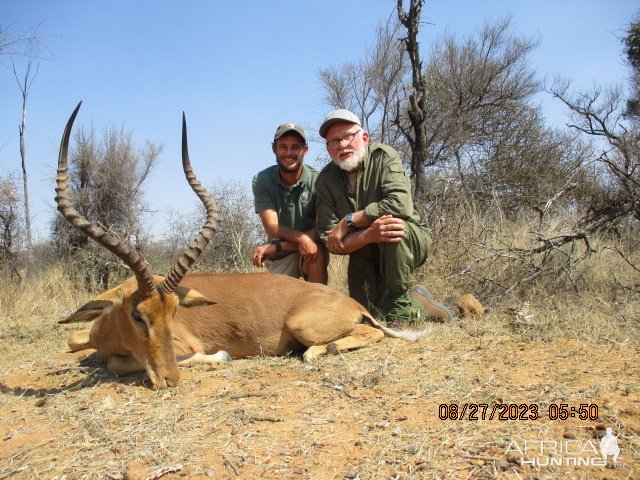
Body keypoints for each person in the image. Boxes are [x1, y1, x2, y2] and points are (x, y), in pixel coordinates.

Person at [315, 108, 452, 322]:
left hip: (406, 239)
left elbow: (400, 204)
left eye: (347, 137)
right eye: (334, 141)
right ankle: (417, 301)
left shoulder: (385, 156)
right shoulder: (324, 181)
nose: (342, 145)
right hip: (364, 250)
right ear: (329, 149)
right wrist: (369, 235)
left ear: (364, 137)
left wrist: (349, 221)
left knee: (392, 226)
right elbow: (331, 241)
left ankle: (402, 311)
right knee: (369, 315)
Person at [252, 123, 328, 284]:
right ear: (274, 149)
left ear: (305, 150)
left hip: (304, 250)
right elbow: (273, 229)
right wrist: (302, 240)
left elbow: (321, 229)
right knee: (277, 307)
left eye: (295, 147)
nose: (289, 153)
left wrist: (279, 245)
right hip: (281, 256)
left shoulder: (319, 180)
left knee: (317, 252)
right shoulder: (262, 180)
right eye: (283, 147)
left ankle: (316, 308)